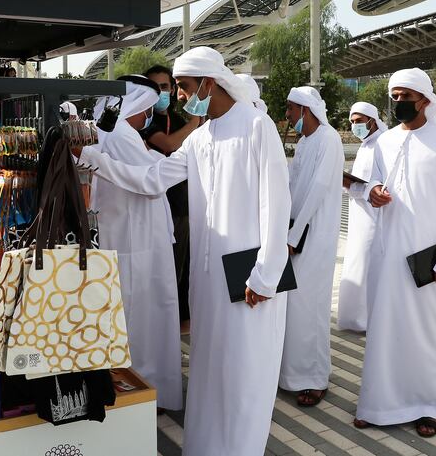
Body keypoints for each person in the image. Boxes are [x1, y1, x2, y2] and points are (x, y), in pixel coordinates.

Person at [74, 46, 291, 456]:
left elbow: (277, 205)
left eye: (184, 86)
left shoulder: (258, 127)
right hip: (208, 279)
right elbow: (152, 179)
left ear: (209, 83)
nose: (177, 95)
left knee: (245, 371)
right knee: (211, 370)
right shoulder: (201, 137)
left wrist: (265, 275)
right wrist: (91, 157)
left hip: (249, 277)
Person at [353, 68, 436, 437]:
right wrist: (374, 192)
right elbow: (371, 186)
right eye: (395, 97)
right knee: (383, 329)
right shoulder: (384, 143)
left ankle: (426, 407)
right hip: (387, 253)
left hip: (425, 257)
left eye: (406, 97)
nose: (399, 103)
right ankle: (377, 404)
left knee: (425, 333)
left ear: (425, 100)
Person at [89, 75, 183, 412]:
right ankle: (145, 388)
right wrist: (188, 161)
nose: (149, 117)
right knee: (143, 315)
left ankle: (147, 387)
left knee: (145, 312)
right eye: (146, 110)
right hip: (135, 238)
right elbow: (150, 181)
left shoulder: (119, 132)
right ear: (135, 107)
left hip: (137, 235)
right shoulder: (120, 134)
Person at [279, 86, 343, 407]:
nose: (288, 115)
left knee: (312, 306)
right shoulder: (305, 142)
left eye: (291, 108)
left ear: (306, 109)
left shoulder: (329, 139)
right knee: (295, 306)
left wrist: (293, 235)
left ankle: (316, 378)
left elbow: (318, 190)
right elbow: (292, 185)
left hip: (314, 236)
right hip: (296, 233)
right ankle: (293, 374)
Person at [143, 65, 201, 330]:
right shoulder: (144, 122)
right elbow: (170, 145)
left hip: (184, 207)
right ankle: (165, 324)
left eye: (165, 87)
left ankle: (184, 322)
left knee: (186, 268)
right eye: (155, 88)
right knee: (167, 270)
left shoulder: (179, 120)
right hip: (158, 210)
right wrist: (194, 124)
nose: (161, 93)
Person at [339, 102, 387, 332]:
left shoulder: (382, 144)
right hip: (360, 215)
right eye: (352, 122)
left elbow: (375, 185)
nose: (355, 126)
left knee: (367, 265)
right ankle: (355, 319)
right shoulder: (366, 145)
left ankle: (367, 319)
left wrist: (347, 183)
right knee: (357, 263)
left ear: (372, 120)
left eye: (359, 121)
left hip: (374, 217)